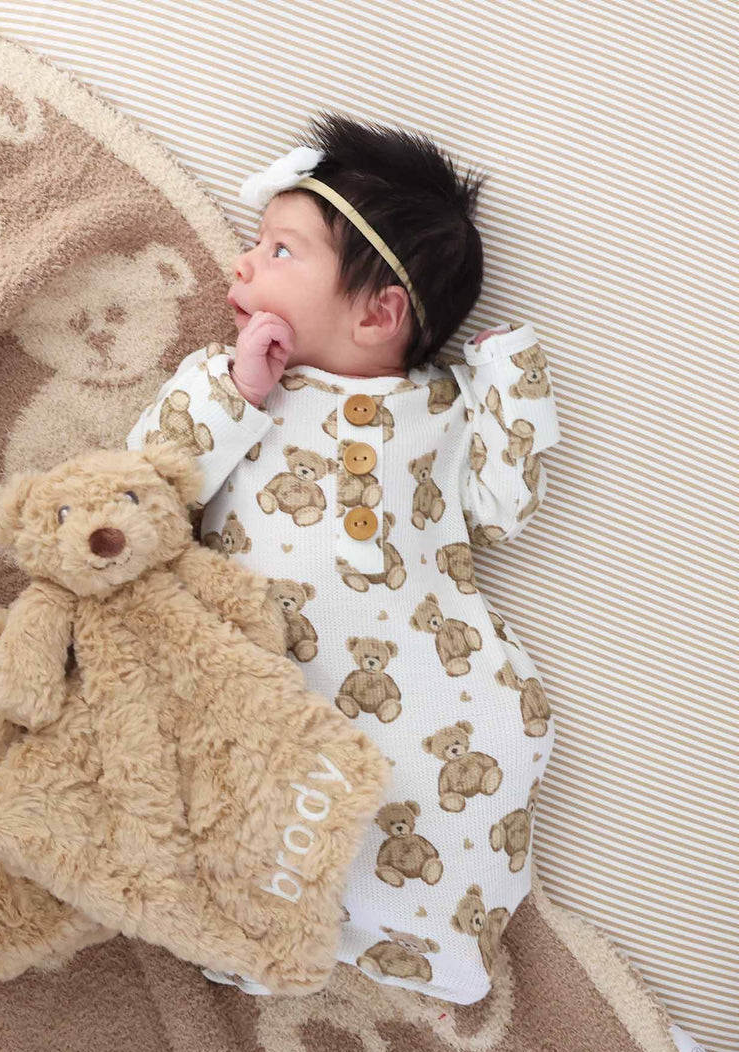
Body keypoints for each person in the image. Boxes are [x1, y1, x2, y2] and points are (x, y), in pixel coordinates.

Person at [125, 111, 561, 1006]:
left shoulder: (441, 408)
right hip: (274, 679)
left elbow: (504, 505)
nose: (242, 265)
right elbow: (151, 485)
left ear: (381, 310)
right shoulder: (232, 385)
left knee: (481, 760)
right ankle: (256, 926)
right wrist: (237, 393)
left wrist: (510, 375)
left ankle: (440, 941)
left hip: (435, 671)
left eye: (279, 250)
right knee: (251, 792)